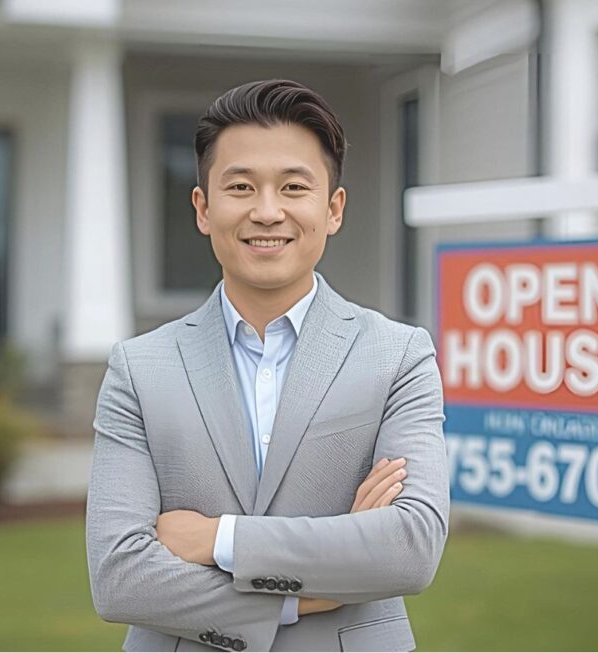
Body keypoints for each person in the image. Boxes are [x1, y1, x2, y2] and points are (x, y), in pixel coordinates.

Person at [86, 79, 449, 652]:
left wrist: (219, 538)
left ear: (333, 209)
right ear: (203, 208)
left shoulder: (399, 356)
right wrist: (311, 593)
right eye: (240, 186)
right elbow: (118, 578)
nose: (267, 211)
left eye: (294, 187)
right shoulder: (138, 368)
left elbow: (410, 546)